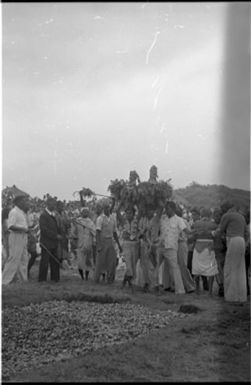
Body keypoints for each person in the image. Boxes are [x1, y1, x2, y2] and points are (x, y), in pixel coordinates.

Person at [218, 204, 247, 302]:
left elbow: (220, 230)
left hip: (233, 240)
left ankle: (231, 297)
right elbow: (247, 233)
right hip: (242, 241)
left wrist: (210, 233)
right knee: (240, 270)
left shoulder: (227, 215)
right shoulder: (241, 217)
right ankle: (241, 296)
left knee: (230, 269)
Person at [158, 201, 187, 295]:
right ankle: (153, 287)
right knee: (155, 266)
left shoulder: (179, 220)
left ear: (173, 209)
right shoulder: (162, 218)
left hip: (171, 247)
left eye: (168, 209)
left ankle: (180, 290)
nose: (166, 211)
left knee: (175, 268)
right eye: (165, 209)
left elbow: (186, 230)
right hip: (161, 246)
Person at [2, 195, 30, 285]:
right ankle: (4, 281)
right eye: (24, 201)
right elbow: (11, 226)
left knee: (24, 258)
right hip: (16, 237)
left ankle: (23, 279)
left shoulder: (21, 212)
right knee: (13, 258)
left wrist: (27, 229)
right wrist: (24, 229)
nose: (25, 203)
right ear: (18, 202)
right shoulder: (14, 212)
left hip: (23, 236)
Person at [192, 208, 218, 295]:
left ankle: (197, 290)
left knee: (196, 269)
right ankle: (210, 292)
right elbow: (216, 236)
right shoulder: (214, 225)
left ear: (201, 215)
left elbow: (193, 235)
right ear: (210, 215)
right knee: (211, 269)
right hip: (209, 248)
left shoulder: (196, 223)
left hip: (198, 247)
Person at [95, 201, 122, 284]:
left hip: (110, 241)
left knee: (112, 261)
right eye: (106, 207)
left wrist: (119, 244)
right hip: (102, 240)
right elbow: (98, 232)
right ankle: (97, 279)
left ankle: (110, 279)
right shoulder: (100, 218)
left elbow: (114, 233)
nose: (108, 209)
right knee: (100, 261)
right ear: (103, 209)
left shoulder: (113, 218)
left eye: (108, 207)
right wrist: (99, 245)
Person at [38, 197, 62, 282]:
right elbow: (44, 229)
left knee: (54, 261)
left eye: (55, 204)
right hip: (46, 242)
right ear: (48, 204)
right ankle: (42, 280)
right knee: (45, 262)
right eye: (53, 204)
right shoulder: (43, 215)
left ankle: (55, 279)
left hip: (53, 242)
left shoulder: (53, 214)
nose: (54, 206)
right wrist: (55, 236)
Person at [72, 207, 96, 280]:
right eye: (84, 212)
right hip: (80, 243)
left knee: (87, 261)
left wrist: (94, 241)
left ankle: (86, 277)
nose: (85, 213)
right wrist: (74, 238)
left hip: (88, 243)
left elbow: (94, 232)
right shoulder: (77, 221)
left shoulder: (90, 222)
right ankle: (82, 277)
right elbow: (74, 232)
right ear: (81, 213)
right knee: (80, 262)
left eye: (86, 212)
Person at [176, 207, 195, 293]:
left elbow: (189, 233)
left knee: (183, 265)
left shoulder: (183, 221)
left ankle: (190, 286)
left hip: (181, 243)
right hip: (176, 244)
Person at [121, 206, 140, 291]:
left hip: (135, 244)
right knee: (128, 265)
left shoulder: (137, 221)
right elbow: (117, 212)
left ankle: (124, 282)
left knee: (133, 265)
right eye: (127, 213)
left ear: (133, 213)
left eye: (130, 213)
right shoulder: (123, 221)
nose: (128, 215)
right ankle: (131, 285)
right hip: (126, 244)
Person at [213, 208, 227, 297]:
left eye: (217, 216)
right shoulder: (214, 226)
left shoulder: (224, 226)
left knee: (222, 270)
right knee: (218, 270)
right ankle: (221, 287)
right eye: (215, 216)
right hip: (217, 251)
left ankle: (223, 287)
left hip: (223, 250)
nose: (215, 217)